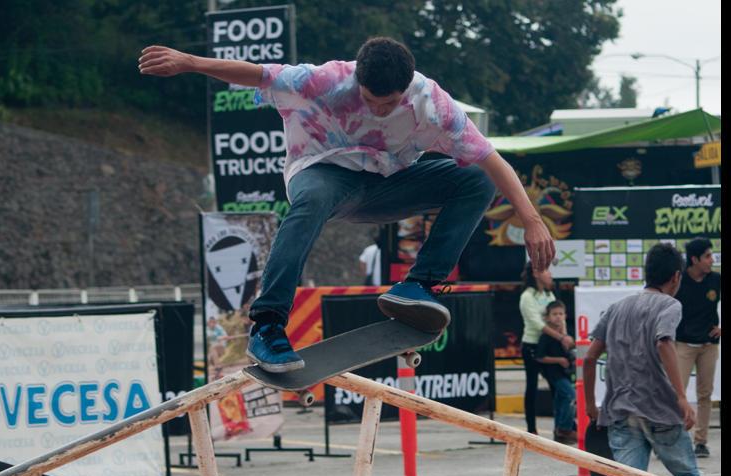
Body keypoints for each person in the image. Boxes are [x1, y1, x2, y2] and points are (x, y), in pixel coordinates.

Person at [139, 37, 554, 372]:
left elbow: (491, 158)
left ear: (406, 87)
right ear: (359, 80)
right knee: (312, 199)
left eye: (387, 104)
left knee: (474, 180)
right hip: (323, 173)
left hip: (388, 186)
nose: (377, 110)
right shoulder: (325, 79)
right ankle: (267, 325)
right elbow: (259, 74)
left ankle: (419, 285)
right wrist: (189, 61)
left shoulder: (434, 103)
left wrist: (531, 219)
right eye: (370, 100)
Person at [583, 243, 719, 476]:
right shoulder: (669, 305)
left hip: (618, 412)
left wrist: (589, 405)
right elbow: (663, 342)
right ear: (676, 277)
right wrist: (681, 398)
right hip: (660, 412)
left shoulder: (617, 307)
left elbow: (588, 358)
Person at [673, 238, 721, 458]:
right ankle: (672, 437)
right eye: (708, 256)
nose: (712, 260)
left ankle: (700, 441)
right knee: (676, 393)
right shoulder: (678, 280)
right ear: (694, 259)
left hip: (709, 345)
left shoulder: (716, 279)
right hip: (682, 344)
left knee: (705, 394)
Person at [519, 262, 573, 435]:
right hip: (533, 346)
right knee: (532, 386)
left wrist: (564, 334)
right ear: (536, 272)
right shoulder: (527, 296)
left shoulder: (548, 294)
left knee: (558, 387)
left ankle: (562, 427)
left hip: (551, 345)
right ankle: (531, 429)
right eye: (546, 270)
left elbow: (557, 316)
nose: (550, 274)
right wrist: (561, 337)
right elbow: (537, 324)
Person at [535, 300, 577, 444]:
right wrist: (558, 360)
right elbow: (540, 357)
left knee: (560, 401)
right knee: (571, 395)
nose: (558, 317)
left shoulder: (565, 334)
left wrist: (565, 332)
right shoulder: (546, 336)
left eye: (561, 314)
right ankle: (565, 428)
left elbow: (570, 348)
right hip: (554, 373)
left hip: (564, 372)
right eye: (554, 314)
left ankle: (559, 433)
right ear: (547, 317)